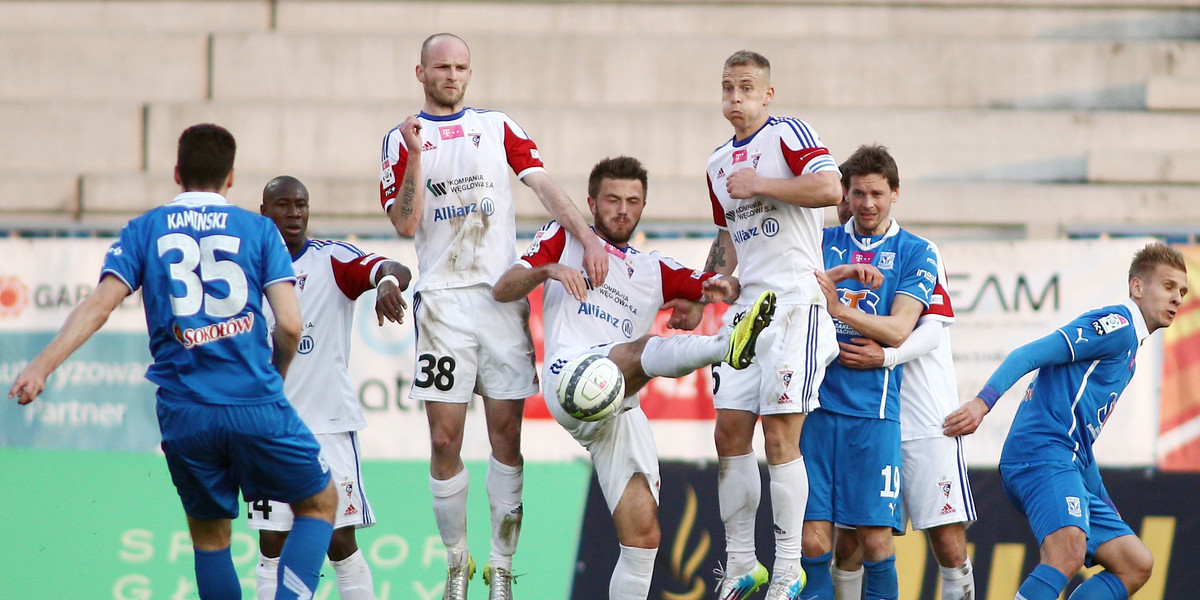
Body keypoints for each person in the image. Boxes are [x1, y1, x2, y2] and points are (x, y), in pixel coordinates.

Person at [8, 124, 336, 600]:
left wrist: (41, 365)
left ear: (177, 172)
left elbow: (98, 307)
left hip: (185, 412)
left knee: (210, 538)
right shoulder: (259, 229)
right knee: (319, 503)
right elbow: (289, 325)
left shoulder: (145, 230)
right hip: (255, 401)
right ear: (231, 177)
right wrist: (275, 377)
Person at [378, 32, 609, 600]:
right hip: (442, 303)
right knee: (444, 438)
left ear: (469, 72)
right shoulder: (399, 137)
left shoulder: (498, 125)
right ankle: (458, 561)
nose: (451, 76)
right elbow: (404, 224)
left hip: (502, 298)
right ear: (420, 72)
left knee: (506, 436)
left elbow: (545, 186)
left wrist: (586, 236)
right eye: (441, 67)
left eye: (460, 67)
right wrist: (412, 157)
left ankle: (502, 567)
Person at [493, 155, 776, 600]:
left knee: (643, 535)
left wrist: (712, 294)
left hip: (618, 404)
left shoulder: (652, 269)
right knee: (645, 351)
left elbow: (715, 283)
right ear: (591, 202)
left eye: (632, 201)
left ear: (643, 206)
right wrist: (547, 271)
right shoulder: (562, 239)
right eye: (612, 200)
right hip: (571, 378)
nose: (622, 209)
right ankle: (726, 348)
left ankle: (727, 344)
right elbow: (503, 287)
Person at [944, 243, 1188, 600]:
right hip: (1040, 454)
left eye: (1182, 291)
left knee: (1135, 562)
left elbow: (1082, 442)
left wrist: (1102, 501)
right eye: (1168, 286)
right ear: (1137, 287)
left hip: (1067, 461)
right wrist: (984, 402)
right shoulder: (1118, 325)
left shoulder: (1130, 352)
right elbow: (1028, 353)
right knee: (1067, 551)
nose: (1178, 298)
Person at [702, 50, 844, 600]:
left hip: (794, 306)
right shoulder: (717, 163)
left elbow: (830, 189)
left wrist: (761, 182)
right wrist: (716, 282)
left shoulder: (788, 134)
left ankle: (788, 567)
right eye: (727, 88)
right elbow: (729, 240)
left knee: (780, 433)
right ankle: (742, 560)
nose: (735, 98)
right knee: (729, 432)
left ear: (767, 94)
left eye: (746, 88)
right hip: (746, 313)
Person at [250, 175, 413, 600]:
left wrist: (388, 284)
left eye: (301, 204)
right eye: (283, 205)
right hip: (268, 425)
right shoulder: (246, 270)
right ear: (264, 211)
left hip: (327, 424)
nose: (294, 212)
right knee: (272, 543)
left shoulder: (332, 259)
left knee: (340, 542)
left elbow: (391, 268)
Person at [800, 144, 938, 600]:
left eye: (877, 193)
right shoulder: (820, 242)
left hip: (874, 414)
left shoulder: (916, 251)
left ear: (895, 193)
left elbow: (899, 330)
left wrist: (838, 307)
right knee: (812, 539)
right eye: (857, 193)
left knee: (875, 540)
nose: (867, 204)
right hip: (815, 406)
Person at [823, 196, 977, 600]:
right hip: (864, 416)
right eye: (845, 199)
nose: (851, 207)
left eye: (854, 196)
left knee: (946, 539)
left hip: (925, 417)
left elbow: (929, 332)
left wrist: (887, 356)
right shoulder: (832, 253)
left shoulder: (916, 250)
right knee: (850, 543)